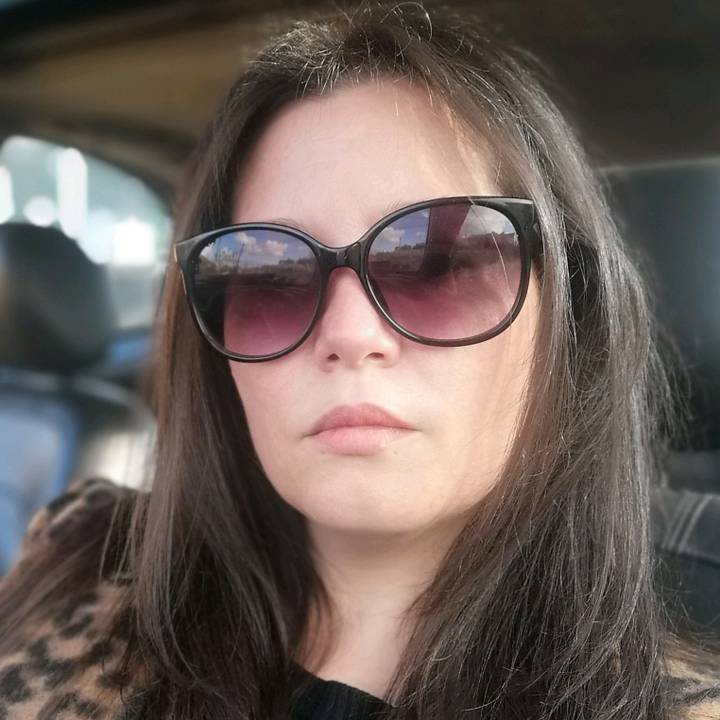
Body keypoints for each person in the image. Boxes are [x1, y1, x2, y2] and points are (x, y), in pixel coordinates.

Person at [1, 2, 719, 718]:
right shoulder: (77, 562)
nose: (350, 333)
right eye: (267, 276)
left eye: (441, 263)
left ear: (567, 317)